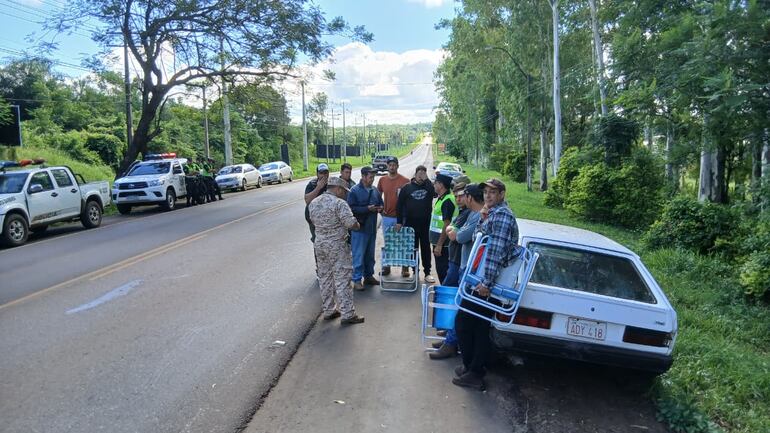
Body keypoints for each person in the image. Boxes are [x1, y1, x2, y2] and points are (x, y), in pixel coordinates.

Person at [453, 178, 520, 391]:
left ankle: (475, 371)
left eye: (493, 192)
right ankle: (472, 367)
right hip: (482, 278)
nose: (488, 196)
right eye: (486, 192)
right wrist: (482, 218)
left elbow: (494, 251)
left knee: (465, 323)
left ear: (502, 194)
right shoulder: (492, 213)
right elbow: (477, 237)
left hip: (486, 282)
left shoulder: (502, 217)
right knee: (477, 326)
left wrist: (486, 283)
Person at [429, 183, 483, 360]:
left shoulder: (476, 216)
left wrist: (454, 230)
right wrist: (453, 229)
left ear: (469, 197)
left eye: (462, 195)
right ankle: (450, 340)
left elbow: (457, 235)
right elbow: (451, 228)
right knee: (458, 304)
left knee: (459, 306)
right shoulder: (470, 214)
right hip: (463, 265)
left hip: (469, 267)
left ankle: (451, 343)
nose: (459, 199)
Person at [308, 177, 365, 325]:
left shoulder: (314, 202)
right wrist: (358, 225)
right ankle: (347, 314)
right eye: (344, 191)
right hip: (337, 246)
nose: (345, 194)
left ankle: (329, 310)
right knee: (343, 278)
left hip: (319, 245)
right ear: (338, 189)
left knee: (325, 277)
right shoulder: (340, 203)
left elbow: (312, 221)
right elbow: (350, 223)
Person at [395, 165, 435, 283]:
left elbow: (433, 193)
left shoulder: (428, 186)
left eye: (423, 173)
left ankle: (427, 272)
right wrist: (399, 222)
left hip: (425, 223)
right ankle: (415, 271)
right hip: (410, 223)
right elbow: (399, 206)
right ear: (415, 174)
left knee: (425, 248)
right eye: (419, 173)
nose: (421, 176)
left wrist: (427, 179)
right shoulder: (407, 188)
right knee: (413, 249)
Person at [347, 166, 383, 290]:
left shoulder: (374, 190)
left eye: (373, 177)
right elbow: (350, 209)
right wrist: (367, 209)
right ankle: (357, 279)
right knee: (358, 255)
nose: (372, 179)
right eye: (370, 177)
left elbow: (380, 202)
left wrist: (380, 208)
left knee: (370, 255)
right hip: (359, 229)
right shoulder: (354, 191)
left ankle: (368, 276)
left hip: (371, 228)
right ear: (363, 177)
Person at [376, 156, 410, 277]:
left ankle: (405, 267)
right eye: (390, 165)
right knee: (388, 242)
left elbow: (409, 199)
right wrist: (380, 209)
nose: (392, 167)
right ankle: (386, 266)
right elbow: (377, 195)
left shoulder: (405, 181)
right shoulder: (382, 180)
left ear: (397, 166)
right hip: (387, 217)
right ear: (387, 166)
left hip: (401, 218)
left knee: (404, 242)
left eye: (394, 164)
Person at [430, 173, 458, 284]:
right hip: (441, 242)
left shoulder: (447, 201)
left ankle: (445, 295)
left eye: (435, 183)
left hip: (444, 244)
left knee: (443, 271)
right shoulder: (442, 198)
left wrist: (439, 245)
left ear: (441, 185)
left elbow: (447, 224)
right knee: (441, 270)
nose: (434, 185)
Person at [304, 163, 330, 243]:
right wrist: (318, 188)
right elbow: (307, 200)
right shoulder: (312, 184)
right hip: (313, 218)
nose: (323, 175)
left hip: (328, 218)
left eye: (325, 173)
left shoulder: (332, 184)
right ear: (317, 174)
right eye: (321, 173)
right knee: (318, 241)